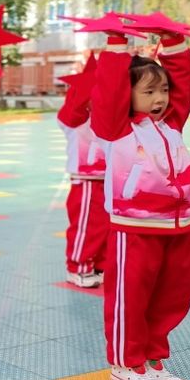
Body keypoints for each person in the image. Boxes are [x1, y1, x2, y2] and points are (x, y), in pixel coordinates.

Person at [91, 29, 190, 380]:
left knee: (171, 297)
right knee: (132, 297)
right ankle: (126, 363)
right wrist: (116, 46)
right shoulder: (115, 130)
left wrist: (174, 44)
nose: (159, 98)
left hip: (181, 226)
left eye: (163, 90)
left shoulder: (171, 124)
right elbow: (109, 91)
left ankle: (153, 357)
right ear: (127, 95)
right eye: (148, 91)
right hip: (134, 227)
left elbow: (183, 85)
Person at [57, 57, 107, 288]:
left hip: (109, 178)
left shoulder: (110, 116)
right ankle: (77, 267)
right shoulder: (73, 119)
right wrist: (85, 89)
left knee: (105, 226)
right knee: (85, 226)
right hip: (86, 181)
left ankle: (100, 265)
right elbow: (73, 109)